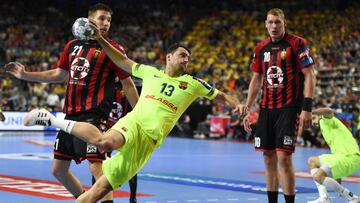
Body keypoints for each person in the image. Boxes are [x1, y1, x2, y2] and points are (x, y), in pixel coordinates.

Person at [23, 19, 244, 202]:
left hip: (148, 141)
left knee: (99, 190)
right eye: (182, 55)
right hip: (134, 122)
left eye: (188, 57)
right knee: (105, 141)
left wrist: (238, 105)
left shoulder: (194, 83)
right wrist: (100, 38)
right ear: (169, 57)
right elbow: (122, 60)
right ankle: (51, 119)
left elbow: (223, 96)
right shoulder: (149, 72)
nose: (187, 60)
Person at [5, 3, 139, 203]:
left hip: (94, 116)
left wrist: (140, 113)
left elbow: (128, 84)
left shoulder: (113, 49)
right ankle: (86, 199)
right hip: (70, 116)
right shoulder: (72, 46)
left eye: (109, 20)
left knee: (96, 166)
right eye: (102, 18)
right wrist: (26, 75)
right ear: (90, 20)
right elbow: (58, 74)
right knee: (58, 170)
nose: (106, 23)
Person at [240, 8, 316, 203]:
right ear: (266, 24)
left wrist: (307, 108)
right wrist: (247, 109)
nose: (274, 26)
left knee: (284, 158)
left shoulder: (297, 43)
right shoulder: (260, 48)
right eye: (271, 22)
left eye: (278, 23)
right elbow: (256, 79)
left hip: (289, 108)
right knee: (268, 159)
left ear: (284, 23)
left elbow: (309, 75)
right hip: (266, 108)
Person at [307, 108, 360, 203]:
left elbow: (330, 111)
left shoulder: (326, 120)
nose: (311, 120)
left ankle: (351, 197)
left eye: (313, 117)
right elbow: (336, 158)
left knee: (318, 176)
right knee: (312, 161)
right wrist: (337, 181)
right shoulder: (324, 128)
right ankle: (324, 197)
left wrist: (310, 111)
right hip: (340, 157)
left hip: (350, 157)